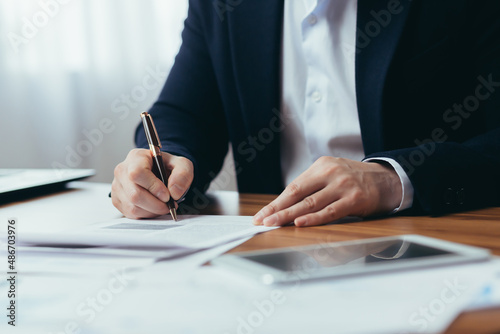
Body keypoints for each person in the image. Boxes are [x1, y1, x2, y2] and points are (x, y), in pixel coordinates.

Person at [111, 0, 500, 227]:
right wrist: (160, 163)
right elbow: (185, 111)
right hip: (268, 246)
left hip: (430, 237)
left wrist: (394, 179)